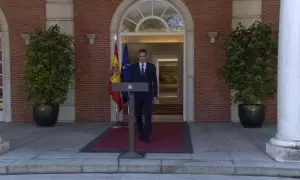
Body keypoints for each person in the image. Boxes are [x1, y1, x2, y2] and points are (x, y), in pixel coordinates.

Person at [130, 48, 158, 143]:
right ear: (138, 57)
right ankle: (141, 133)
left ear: (147, 56)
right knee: (138, 116)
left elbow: (154, 82)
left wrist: (155, 95)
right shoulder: (133, 67)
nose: (142, 58)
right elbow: (130, 81)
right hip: (136, 96)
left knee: (147, 116)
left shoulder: (151, 67)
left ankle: (147, 135)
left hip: (147, 96)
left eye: (144, 56)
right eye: (140, 56)